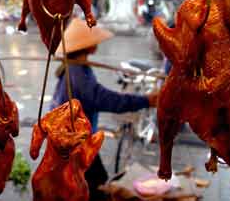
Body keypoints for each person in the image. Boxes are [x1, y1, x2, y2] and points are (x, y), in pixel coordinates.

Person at [51, 18, 158, 201]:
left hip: (77, 139)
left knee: (91, 183)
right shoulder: (77, 73)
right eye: (95, 41)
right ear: (89, 46)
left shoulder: (78, 67)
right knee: (95, 186)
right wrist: (146, 100)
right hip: (74, 142)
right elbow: (104, 99)